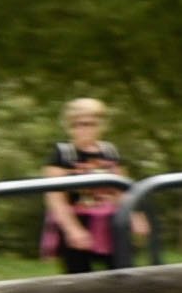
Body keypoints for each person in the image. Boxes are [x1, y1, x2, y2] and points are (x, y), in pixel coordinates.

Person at [37, 100, 143, 272]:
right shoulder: (63, 153)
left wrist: (135, 216)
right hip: (77, 219)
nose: (85, 129)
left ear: (101, 125)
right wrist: (72, 229)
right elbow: (55, 198)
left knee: (123, 273)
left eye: (91, 124)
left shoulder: (110, 151)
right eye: (78, 124)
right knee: (79, 278)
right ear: (70, 126)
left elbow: (122, 189)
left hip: (110, 222)